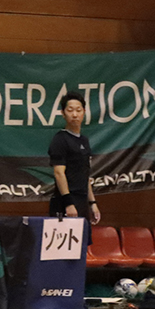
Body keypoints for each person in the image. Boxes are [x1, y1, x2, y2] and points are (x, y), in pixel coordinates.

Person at [48, 91, 101, 225]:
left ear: (84, 112)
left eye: (78, 110)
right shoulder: (60, 139)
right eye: (70, 110)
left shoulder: (84, 140)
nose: (75, 114)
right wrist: (68, 203)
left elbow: (85, 174)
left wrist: (92, 203)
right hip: (65, 203)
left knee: (84, 238)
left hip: (82, 201)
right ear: (63, 113)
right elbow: (59, 173)